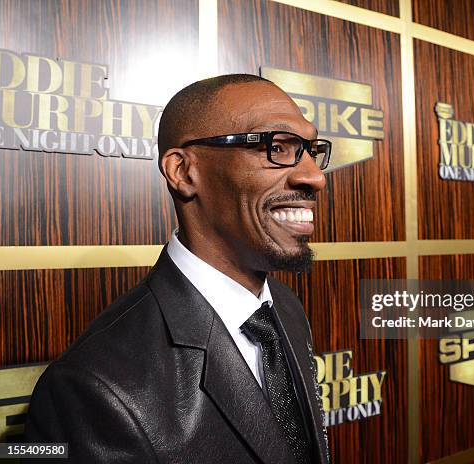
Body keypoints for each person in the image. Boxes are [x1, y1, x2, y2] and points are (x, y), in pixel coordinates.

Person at [24, 74, 331, 464]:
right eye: (277, 147)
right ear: (184, 172)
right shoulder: (93, 388)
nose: (315, 177)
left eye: (310, 150)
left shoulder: (284, 308)